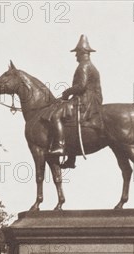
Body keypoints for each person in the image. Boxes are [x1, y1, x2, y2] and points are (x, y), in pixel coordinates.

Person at [49, 35, 103, 168]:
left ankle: (60, 146)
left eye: (77, 53)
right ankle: (71, 159)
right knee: (69, 121)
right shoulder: (91, 66)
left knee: (56, 115)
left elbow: (82, 86)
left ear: (83, 53)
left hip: (85, 99)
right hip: (91, 98)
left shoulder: (83, 67)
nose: (76, 56)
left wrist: (66, 93)